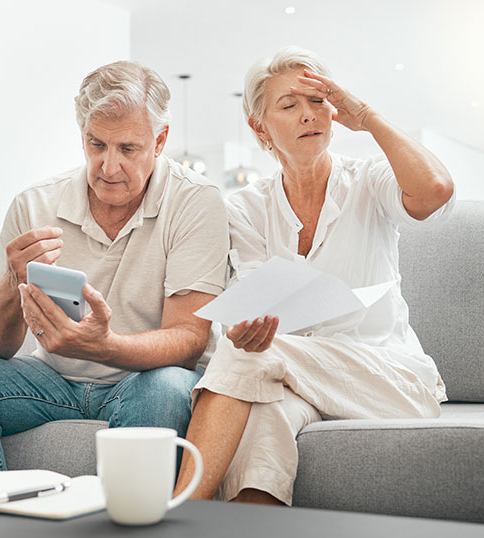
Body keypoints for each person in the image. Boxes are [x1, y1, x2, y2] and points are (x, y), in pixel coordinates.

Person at [173, 46, 455, 506]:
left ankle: (181, 514)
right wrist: (247, 331)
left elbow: (435, 190)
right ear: (259, 128)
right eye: (289, 105)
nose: (309, 115)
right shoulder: (244, 208)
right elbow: (255, 305)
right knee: (263, 417)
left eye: (318, 101)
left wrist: (365, 116)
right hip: (293, 378)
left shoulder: (369, 181)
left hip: (387, 378)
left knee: (244, 360)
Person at [0, 61, 229, 472]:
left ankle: (131, 532)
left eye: (128, 149)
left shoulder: (195, 201)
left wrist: (107, 347)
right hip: (52, 381)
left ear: (160, 141)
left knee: (168, 388)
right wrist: (14, 284)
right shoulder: (34, 204)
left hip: (144, 380)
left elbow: (189, 340)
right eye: (96, 144)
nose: (108, 166)